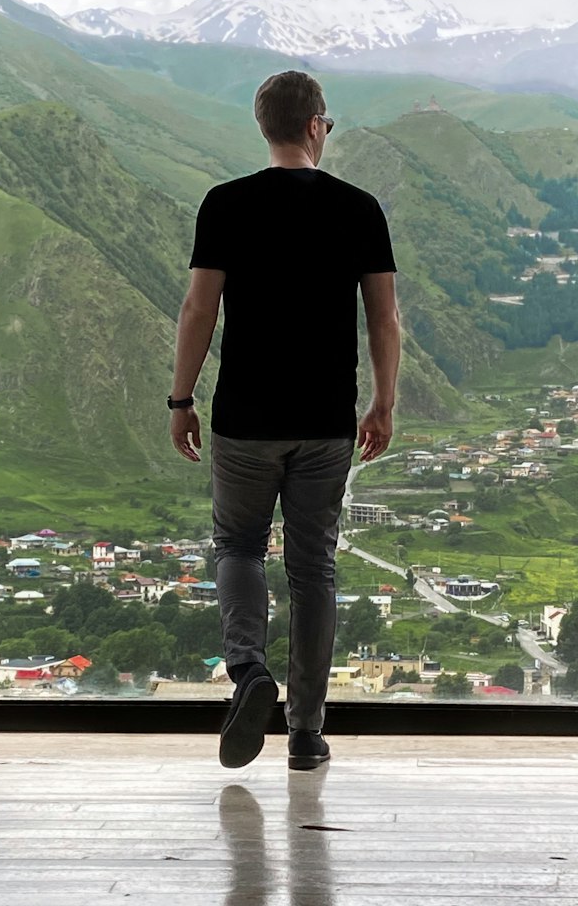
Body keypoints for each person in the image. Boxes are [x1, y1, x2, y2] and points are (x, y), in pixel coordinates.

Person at [169, 70, 400, 769]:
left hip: (243, 418)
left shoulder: (225, 205)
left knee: (238, 548)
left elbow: (198, 311)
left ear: (264, 125)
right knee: (313, 572)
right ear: (312, 126)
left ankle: (249, 673)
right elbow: (384, 318)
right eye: (326, 124)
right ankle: (305, 732)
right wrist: (383, 403)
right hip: (326, 421)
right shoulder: (359, 209)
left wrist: (180, 400)